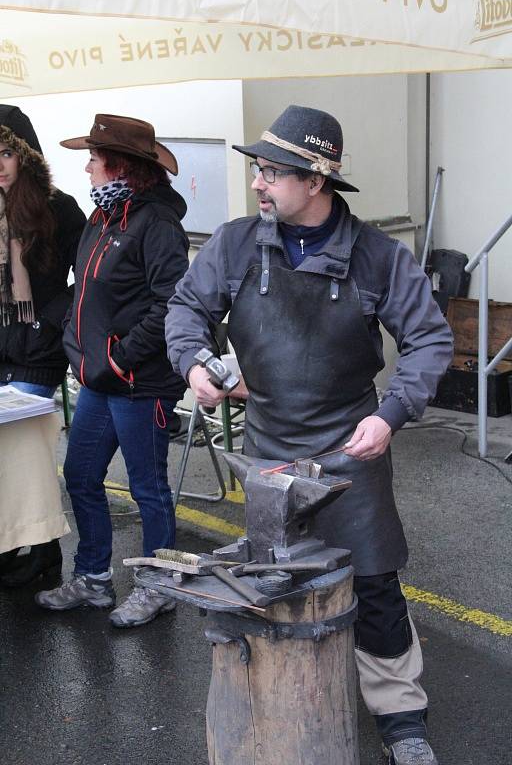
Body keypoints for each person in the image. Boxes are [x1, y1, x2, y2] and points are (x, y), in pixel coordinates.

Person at [165, 106, 453, 765]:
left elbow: (431, 338)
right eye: (258, 169)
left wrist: (391, 415)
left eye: (272, 172)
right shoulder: (238, 243)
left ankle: (400, 714)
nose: (259, 184)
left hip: (351, 449)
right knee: (273, 577)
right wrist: (193, 362)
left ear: (317, 179)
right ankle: (282, 696)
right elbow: (187, 308)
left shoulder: (378, 257)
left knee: (374, 581)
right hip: (268, 446)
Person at [35, 114, 190, 628]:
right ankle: (94, 579)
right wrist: (78, 348)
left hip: (140, 384)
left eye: (95, 160)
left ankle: (160, 586)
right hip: (101, 380)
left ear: (120, 166)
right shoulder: (103, 217)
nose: (87, 168)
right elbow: (86, 292)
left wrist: (120, 358)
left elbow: (172, 305)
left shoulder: (157, 223)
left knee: (148, 489)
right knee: (80, 476)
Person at [0, 105, 85, 587]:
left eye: (7, 152)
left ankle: (45, 552)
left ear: (26, 156)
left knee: (25, 450)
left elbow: (87, 276)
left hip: (37, 350)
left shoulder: (58, 207)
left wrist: (53, 321)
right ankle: (10, 545)